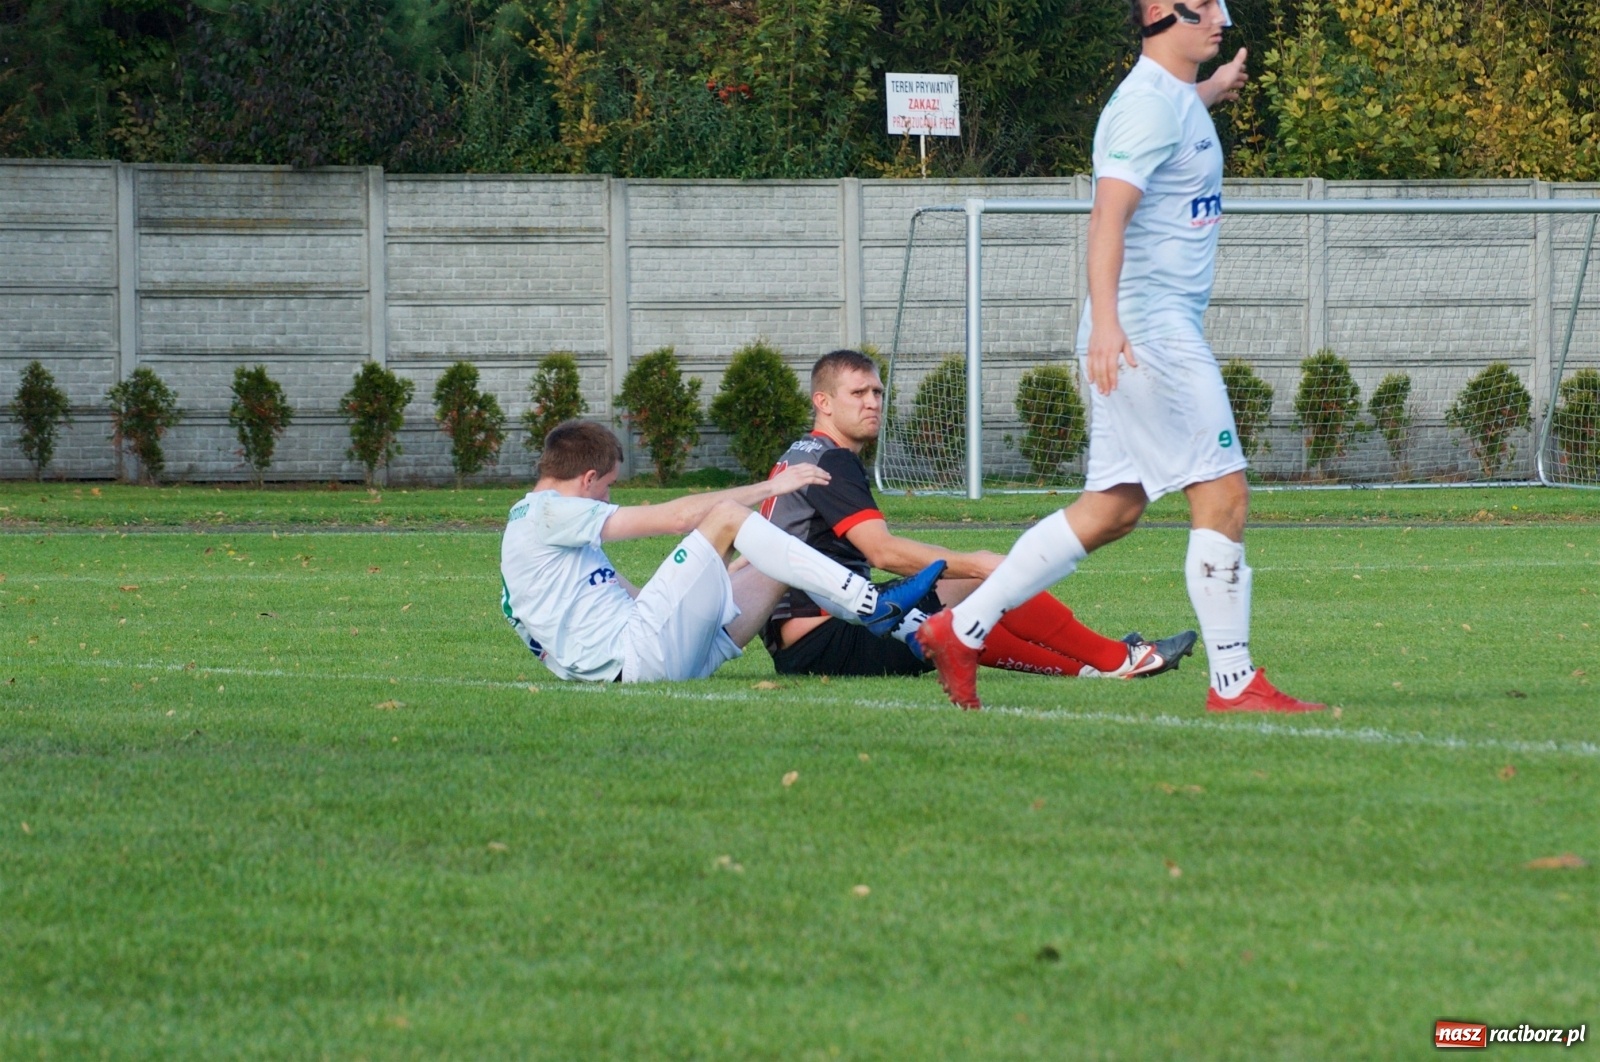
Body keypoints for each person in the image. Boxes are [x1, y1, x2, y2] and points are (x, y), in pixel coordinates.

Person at [917, 0, 1324, 714]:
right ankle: (1234, 683)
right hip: (1149, 332)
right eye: (1208, 6)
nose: (1222, 17)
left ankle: (963, 626)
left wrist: (1213, 89)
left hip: (1141, 329)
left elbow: (1174, 123)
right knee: (1223, 495)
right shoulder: (1146, 107)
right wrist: (1106, 324)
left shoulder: (1173, 97)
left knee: (1110, 510)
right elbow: (1108, 215)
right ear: (1165, 13)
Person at [760, 348, 1197, 680]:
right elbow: (882, 552)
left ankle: (1092, 666)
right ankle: (1117, 658)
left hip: (806, 639)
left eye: (877, 392)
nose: (872, 402)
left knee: (961, 610)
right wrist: (978, 564)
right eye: (858, 393)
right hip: (826, 638)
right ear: (824, 402)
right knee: (984, 580)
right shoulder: (832, 460)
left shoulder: (801, 453)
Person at [500, 419, 945, 684]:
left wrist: (723, 570)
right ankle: (869, 602)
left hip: (655, 657)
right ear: (587, 478)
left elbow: (630, 601)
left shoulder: (533, 534)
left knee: (775, 562)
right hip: (642, 655)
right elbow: (679, 518)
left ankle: (908, 626)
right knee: (728, 515)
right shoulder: (548, 511)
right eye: (608, 486)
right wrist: (771, 487)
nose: (607, 497)